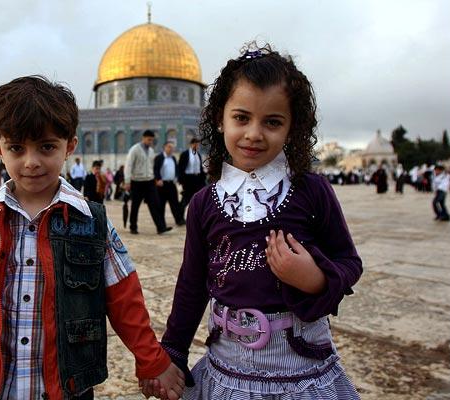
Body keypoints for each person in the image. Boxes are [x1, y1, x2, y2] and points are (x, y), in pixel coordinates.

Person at [0, 75, 185, 400]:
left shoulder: (90, 221)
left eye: (47, 147)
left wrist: (152, 361)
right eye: (16, 148)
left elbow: (124, 299)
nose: (32, 162)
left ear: (69, 146)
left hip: (66, 387)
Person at [141, 43, 363, 399]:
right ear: (220, 119)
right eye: (241, 118)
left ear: (292, 128)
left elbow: (349, 262)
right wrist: (174, 353)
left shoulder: (311, 190)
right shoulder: (204, 204)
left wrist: (314, 277)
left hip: (299, 369)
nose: (254, 134)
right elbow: (192, 285)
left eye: (272, 122)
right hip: (228, 368)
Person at [124, 130, 172, 235]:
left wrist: (155, 179)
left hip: (149, 182)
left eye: (152, 140)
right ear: (143, 138)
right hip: (137, 182)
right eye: (149, 139)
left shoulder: (151, 151)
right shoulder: (135, 150)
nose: (150, 141)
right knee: (135, 205)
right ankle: (133, 227)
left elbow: (152, 166)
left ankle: (161, 227)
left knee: (155, 204)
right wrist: (127, 181)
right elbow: (128, 165)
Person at [154, 142, 185, 226]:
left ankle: (179, 220)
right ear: (164, 147)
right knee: (161, 205)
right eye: (169, 147)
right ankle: (161, 223)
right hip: (162, 185)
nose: (171, 149)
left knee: (175, 203)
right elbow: (156, 169)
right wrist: (158, 179)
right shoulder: (159, 157)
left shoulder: (173, 158)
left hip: (171, 184)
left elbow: (176, 169)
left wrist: (176, 178)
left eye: (172, 147)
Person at [178, 138, 206, 210]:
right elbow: (180, 168)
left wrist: (203, 177)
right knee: (186, 198)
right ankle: (179, 216)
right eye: (195, 144)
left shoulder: (198, 155)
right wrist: (181, 180)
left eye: (197, 145)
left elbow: (200, 168)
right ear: (191, 144)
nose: (196, 146)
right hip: (188, 179)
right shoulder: (185, 154)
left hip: (198, 179)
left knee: (199, 197)